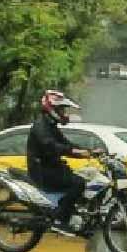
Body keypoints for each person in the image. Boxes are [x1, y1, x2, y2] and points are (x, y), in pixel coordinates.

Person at [26, 90, 91, 236]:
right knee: (78, 183)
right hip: (42, 171)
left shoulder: (51, 126)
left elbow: (66, 144)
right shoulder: (40, 126)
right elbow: (51, 146)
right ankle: (60, 220)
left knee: (85, 178)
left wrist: (89, 151)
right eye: (61, 109)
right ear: (52, 109)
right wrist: (75, 152)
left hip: (52, 168)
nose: (63, 113)